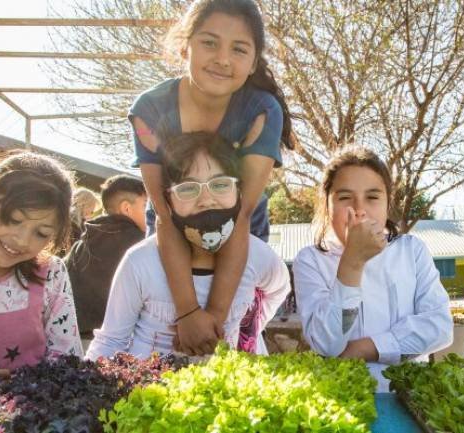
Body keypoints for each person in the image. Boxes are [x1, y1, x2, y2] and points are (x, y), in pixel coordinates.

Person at [129, 0, 294, 356]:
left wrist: (216, 317)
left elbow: (242, 214)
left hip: (239, 225)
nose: (222, 58)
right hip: (171, 222)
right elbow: (164, 212)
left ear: (253, 62)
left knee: (230, 338)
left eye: (239, 49)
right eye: (209, 42)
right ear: (185, 45)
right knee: (167, 323)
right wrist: (188, 312)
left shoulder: (262, 111)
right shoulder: (150, 109)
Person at [86, 132, 290, 360]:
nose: (206, 198)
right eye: (187, 188)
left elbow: (278, 289)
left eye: (221, 184)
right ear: (167, 200)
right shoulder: (140, 261)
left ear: (239, 191)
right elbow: (111, 339)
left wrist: (248, 330)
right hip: (152, 389)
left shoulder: (257, 255)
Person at [292, 148, 453, 392]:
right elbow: (326, 344)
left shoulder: (412, 251)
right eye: (345, 197)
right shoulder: (311, 260)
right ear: (327, 204)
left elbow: (439, 327)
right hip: (341, 396)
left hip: (408, 396)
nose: (359, 209)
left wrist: (365, 348)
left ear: (388, 204)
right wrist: (352, 262)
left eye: (373, 197)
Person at [0, 151, 83, 386]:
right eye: (14, 219)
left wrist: (29, 382)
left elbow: (69, 363)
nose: (22, 241)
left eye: (42, 233)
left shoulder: (50, 273)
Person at [65, 175, 147, 340]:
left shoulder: (83, 242)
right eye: (147, 206)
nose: (154, 213)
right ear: (126, 208)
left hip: (72, 336)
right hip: (113, 343)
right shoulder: (140, 245)